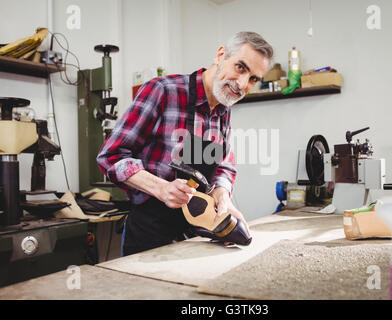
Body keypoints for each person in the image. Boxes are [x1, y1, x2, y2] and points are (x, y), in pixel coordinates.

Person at [97, 31, 273, 256]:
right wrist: (161, 188)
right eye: (240, 67)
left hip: (195, 235)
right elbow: (111, 156)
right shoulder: (163, 91)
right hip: (150, 235)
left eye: (253, 79)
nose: (242, 83)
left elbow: (224, 166)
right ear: (220, 55)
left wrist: (222, 196)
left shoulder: (223, 110)